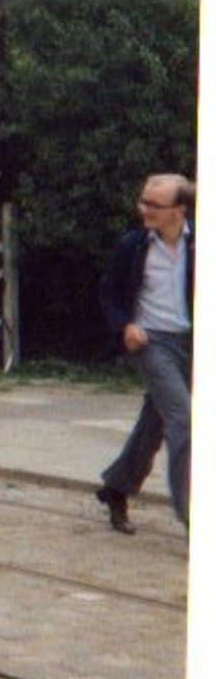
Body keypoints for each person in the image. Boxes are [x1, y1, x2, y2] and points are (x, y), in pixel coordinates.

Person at [95, 173, 193, 534]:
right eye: (143, 202)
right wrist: (125, 326)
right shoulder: (134, 246)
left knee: (157, 421)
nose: (144, 210)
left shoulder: (198, 244)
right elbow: (109, 293)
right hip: (150, 343)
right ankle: (193, 515)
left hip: (191, 343)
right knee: (185, 420)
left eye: (154, 205)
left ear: (179, 210)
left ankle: (117, 487)